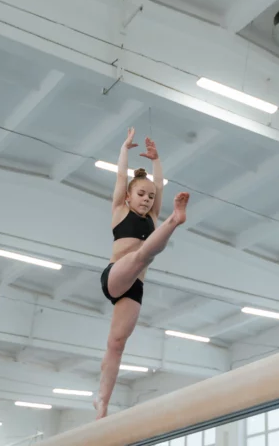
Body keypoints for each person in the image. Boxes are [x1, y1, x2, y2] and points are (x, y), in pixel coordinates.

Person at [94, 127, 189, 419]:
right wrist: (124, 149)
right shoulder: (119, 211)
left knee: (117, 344)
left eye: (150, 196)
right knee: (142, 254)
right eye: (141, 194)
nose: (147, 199)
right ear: (127, 196)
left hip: (134, 288)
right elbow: (121, 176)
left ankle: (102, 404)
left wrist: (157, 160)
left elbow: (158, 182)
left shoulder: (151, 217)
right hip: (115, 276)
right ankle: (175, 221)